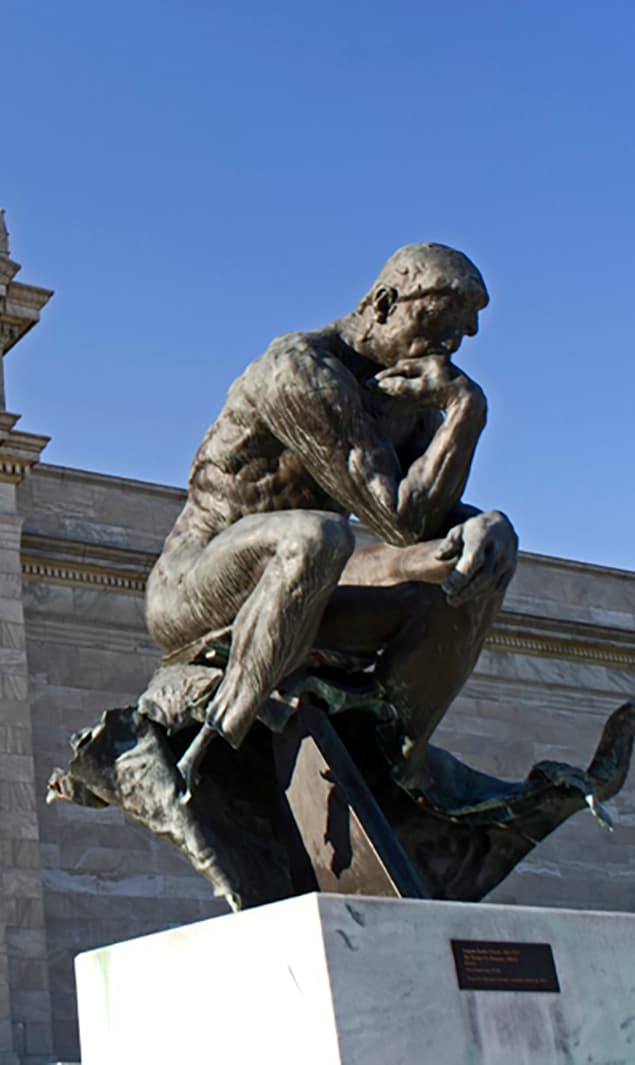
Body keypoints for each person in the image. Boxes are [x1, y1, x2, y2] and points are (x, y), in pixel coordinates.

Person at [145, 242, 518, 788]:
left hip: (310, 586)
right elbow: (400, 520)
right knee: (319, 534)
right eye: (434, 327)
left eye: (456, 338)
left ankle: (393, 763)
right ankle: (221, 741)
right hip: (194, 589)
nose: (445, 350)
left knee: (482, 560)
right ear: (384, 304)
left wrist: (485, 527)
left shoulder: (407, 398)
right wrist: (466, 408)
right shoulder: (298, 369)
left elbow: (429, 522)